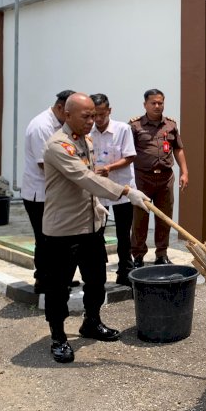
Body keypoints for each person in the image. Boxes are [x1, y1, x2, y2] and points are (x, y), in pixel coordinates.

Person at [42, 93, 151, 364]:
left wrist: (98, 207)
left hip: (90, 225)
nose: (92, 121)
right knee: (58, 287)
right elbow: (85, 177)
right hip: (63, 230)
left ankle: (91, 322)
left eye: (94, 115)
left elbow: (88, 186)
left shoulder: (85, 141)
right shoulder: (59, 145)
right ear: (67, 116)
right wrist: (126, 191)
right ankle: (58, 337)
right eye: (86, 116)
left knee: (96, 279)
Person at [21, 90, 75, 293]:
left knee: (59, 240)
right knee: (45, 240)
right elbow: (46, 165)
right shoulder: (41, 127)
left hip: (55, 193)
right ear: (61, 108)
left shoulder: (61, 124)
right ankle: (43, 281)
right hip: (40, 194)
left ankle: (60, 278)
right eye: (69, 113)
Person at [130, 89, 189, 266]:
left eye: (160, 103)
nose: (157, 106)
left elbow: (178, 149)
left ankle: (161, 254)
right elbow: (127, 152)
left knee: (164, 218)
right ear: (145, 105)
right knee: (140, 218)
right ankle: (138, 255)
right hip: (142, 178)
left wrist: (185, 172)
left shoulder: (170, 125)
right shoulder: (135, 126)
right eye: (153, 103)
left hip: (165, 178)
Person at [90, 93, 137, 286]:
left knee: (123, 233)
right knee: (96, 231)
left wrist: (109, 168)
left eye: (102, 114)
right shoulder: (88, 131)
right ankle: (97, 270)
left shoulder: (123, 129)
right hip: (98, 190)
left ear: (109, 111)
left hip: (121, 188)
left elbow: (130, 156)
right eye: (94, 115)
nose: (98, 119)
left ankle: (125, 271)